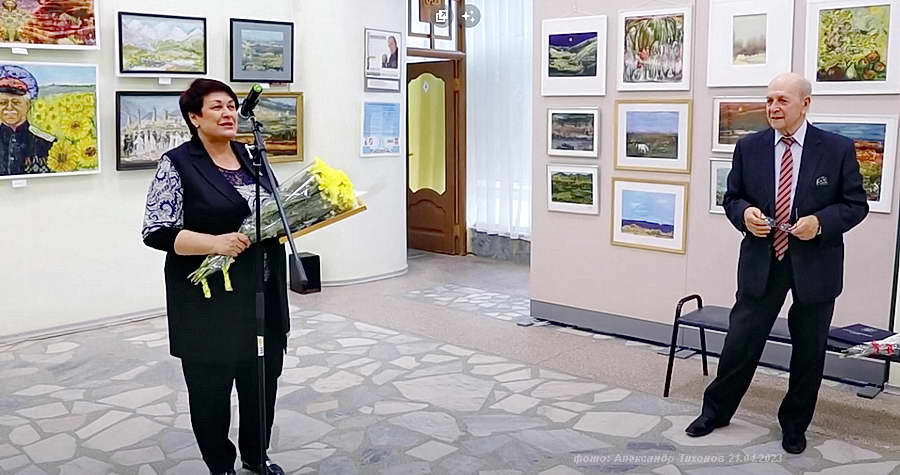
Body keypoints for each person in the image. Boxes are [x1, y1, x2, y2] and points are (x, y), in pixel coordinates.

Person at [685, 72, 868, 454]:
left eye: (782, 100)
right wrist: (744, 213)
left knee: (809, 351)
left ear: (805, 104)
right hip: (761, 261)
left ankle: (795, 426)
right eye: (769, 100)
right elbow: (732, 197)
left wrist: (820, 223)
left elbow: (855, 205)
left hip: (815, 265)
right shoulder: (749, 147)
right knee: (740, 342)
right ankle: (716, 412)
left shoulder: (836, 149)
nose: (773, 107)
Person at [142, 79, 289, 475]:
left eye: (231, 106)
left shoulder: (252, 156)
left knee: (262, 382)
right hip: (209, 300)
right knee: (211, 390)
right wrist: (215, 243)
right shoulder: (177, 163)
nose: (228, 114)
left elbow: (273, 211)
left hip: (262, 293)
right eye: (217, 107)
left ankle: (257, 456)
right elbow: (156, 231)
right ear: (195, 117)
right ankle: (220, 465)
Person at [0, 64, 55, 176]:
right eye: (2, 103)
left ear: (28, 105)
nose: (9, 108)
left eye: (16, 102)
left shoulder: (47, 143)